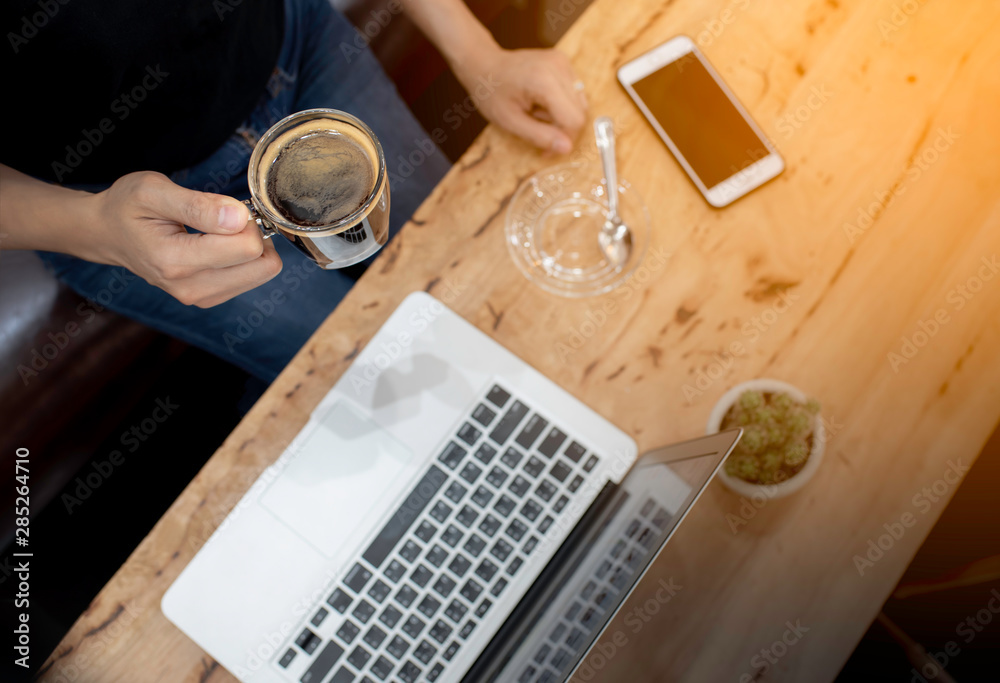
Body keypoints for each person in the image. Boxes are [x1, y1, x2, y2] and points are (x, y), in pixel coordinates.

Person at [1, 0, 587, 382]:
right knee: (377, 379)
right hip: (115, 202)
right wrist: (100, 229)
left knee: (485, 276)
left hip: (298, 50)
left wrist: (477, 53)